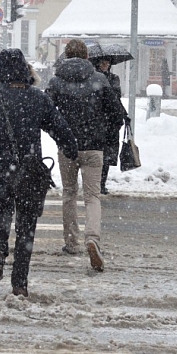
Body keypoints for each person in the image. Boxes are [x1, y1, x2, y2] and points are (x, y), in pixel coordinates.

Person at [0, 49, 77, 297]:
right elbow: (58, 126)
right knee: (27, 225)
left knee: (3, 209)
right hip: (30, 171)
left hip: (1, 168)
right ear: (26, 71)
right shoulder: (37, 98)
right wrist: (70, 147)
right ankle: (19, 283)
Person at [46, 40, 125, 272]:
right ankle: (93, 238)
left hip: (67, 148)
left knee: (69, 193)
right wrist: (102, 131)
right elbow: (117, 114)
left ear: (66, 56)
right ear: (87, 57)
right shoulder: (99, 80)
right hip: (94, 147)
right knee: (93, 196)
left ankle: (71, 242)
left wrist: (60, 136)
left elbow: (45, 114)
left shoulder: (56, 81)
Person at [94, 56, 127, 195]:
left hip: (111, 121)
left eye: (107, 63)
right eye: (102, 63)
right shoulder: (92, 78)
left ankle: (102, 183)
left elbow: (116, 96)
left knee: (107, 155)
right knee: (96, 154)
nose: (105, 65)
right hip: (97, 120)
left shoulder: (114, 78)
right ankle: (95, 183)